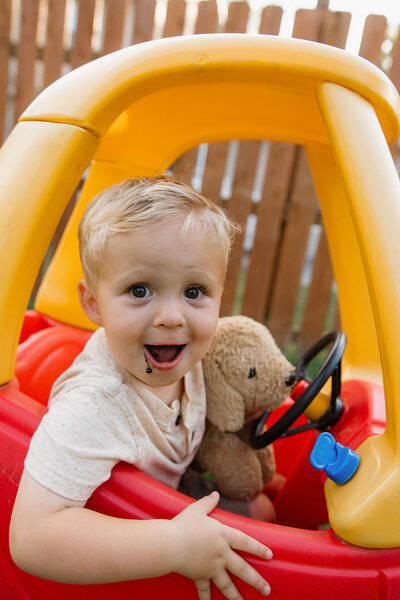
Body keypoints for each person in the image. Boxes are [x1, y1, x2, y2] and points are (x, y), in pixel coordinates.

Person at [9, 176, 274, 600]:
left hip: (176, 490)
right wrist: (176, 547)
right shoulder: (94, 405)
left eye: (194, 291)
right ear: (94, 302)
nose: (171, 316)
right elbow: (32, 538)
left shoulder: (192, 351)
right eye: (139, 290)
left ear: (220, 296)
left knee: (264, 509)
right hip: (126, 533)